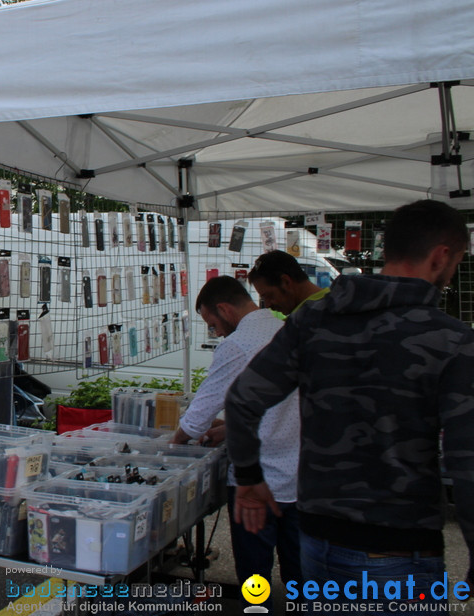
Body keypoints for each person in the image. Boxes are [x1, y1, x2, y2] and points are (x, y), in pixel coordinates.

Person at [225, 199, 474, 599]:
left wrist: (250, 479)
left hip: (317, 542)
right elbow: (468, 462)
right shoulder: (451, 340)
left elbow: (241, 400)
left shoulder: (312, 320)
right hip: (397, 551)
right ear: (442, 256)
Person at [172, 276, 300, 586]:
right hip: (299, 480)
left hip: (259, 481)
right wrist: (231, 428)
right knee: (300, 573)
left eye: (212, 324)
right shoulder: (286, 330)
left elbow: (195, 421)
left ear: (225, 309)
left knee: (255, 577)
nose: (215, 333)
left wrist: (171, 444)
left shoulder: (238, 344)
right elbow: (282, 404)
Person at [247, 250, 327, 316]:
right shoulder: (331, 300)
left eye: (269, 296)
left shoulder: (305, 320)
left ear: (286, 282)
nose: (268, 305)